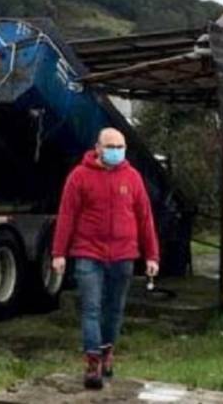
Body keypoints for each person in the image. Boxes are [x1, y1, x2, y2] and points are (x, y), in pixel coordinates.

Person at [51, 127, 159, 390]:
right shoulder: (79, 177)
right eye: (111, 147)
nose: (116, 151)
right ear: (97, 148)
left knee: (114, 309)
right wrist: (59, 253)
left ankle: (107, 352)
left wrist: (152, 255)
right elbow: (67, 216)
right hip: (89, 253)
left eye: (120, 147)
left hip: (123, 255)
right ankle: (93, 362)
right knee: (91, 309)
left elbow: (145, 218)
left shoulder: (132, 177)